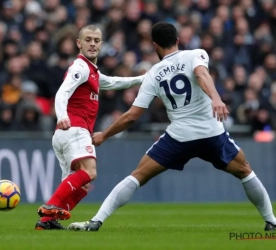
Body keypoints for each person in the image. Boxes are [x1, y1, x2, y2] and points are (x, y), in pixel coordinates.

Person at [68, 21, 276, 232]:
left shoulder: (154, 73)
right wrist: (216, 98)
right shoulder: (195, 54)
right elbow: (202, 74)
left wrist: (105, 134)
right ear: (177, 40)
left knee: (137, 175)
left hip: (179, 138)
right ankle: (271, 221)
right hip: (211, 133)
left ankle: (96, 221)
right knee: (245, 171)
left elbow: (132, 116)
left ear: (155, 45)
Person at [34, 25, 145, 230]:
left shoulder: (92, 71)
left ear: (101, 44)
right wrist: (63, 116)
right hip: (74, 128)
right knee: (90, 172)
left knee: (82, 185)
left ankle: (47, 221)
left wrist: (142, 79)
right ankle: (50, 206)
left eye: (96, 40)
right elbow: (62, 93)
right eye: (88, 39)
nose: (92, 44)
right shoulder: (80, 68)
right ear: (79, 43)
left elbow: (112, 82)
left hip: (65, 134)